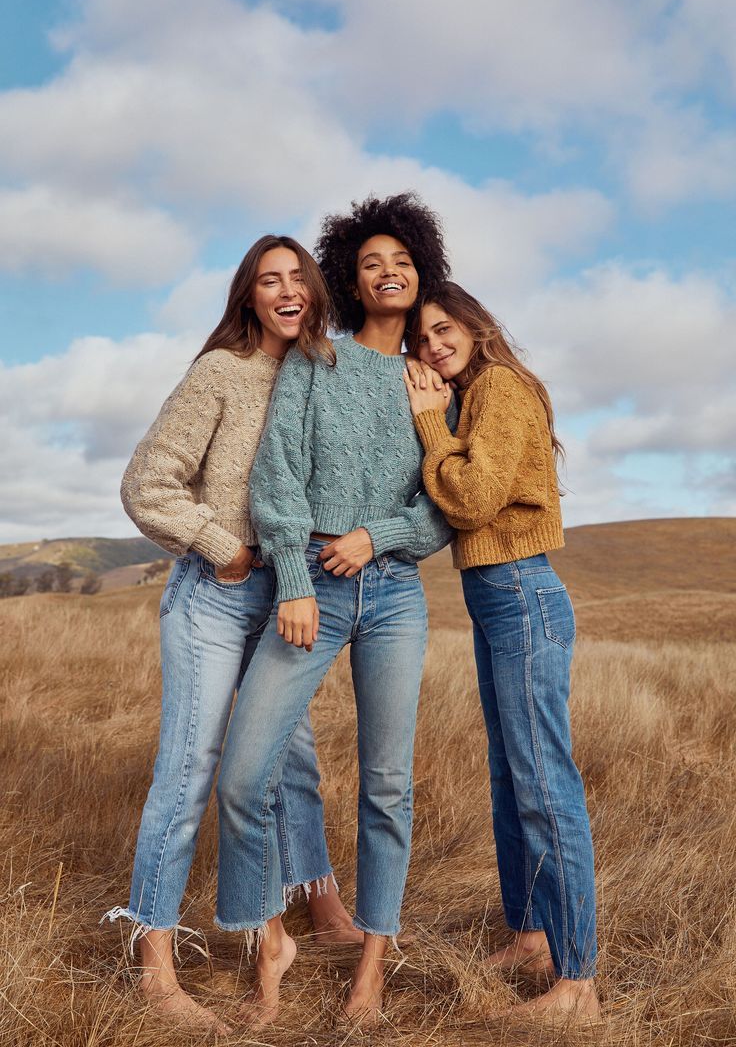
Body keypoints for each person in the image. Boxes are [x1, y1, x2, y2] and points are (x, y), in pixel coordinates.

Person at [102, 235, 359, 1036]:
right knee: (189, 773)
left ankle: (318, 908)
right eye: (267, 280)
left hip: (293, 597)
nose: (285, 290)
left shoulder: (332, 376)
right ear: (248, 297)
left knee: (297, 758)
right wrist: (225, 548)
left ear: (315, 291)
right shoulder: (221, 373)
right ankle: (154, 958)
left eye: (297, 278)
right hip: (217, 598)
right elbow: (146, 484)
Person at [215, 193, 454, 1027]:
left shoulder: (435, 384)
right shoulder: (317, 362)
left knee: (388, 785)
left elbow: (441, 507)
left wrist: (375, 532)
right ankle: (270, 948)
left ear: (423, 272)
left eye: (403, 261)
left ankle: (371, 974)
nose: (389, 273)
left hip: (393, 594)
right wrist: (295, 577)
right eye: (370, 263)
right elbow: (275, 476)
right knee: (246, 775)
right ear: (351, 280)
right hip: (313, 583)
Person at [403, 281, 600, 1023]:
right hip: (496, 594)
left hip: (520, 591)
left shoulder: (499, 385)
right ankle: (532, 935)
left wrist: (429, 424)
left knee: (545, 783)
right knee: (512, 774)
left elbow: (474, 498)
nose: (434, 345)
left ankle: (576, 986)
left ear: (474, 326)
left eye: (444, 328)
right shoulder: (476, 394)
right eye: (422, 340)